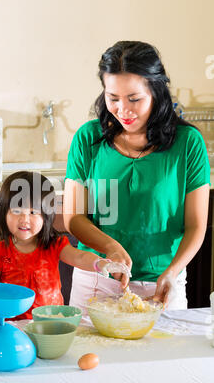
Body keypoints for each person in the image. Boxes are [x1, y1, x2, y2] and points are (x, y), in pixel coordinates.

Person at [63, 40, 210, 311]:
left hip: (163, 284)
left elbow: (196, 226)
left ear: (156, 91)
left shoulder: (188, 143)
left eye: (134, 99)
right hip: (98, 280)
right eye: (113, 98)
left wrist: (173, 272)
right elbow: (73, 217)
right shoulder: (88, 138)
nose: (123, 110)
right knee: (89, 355)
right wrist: (111, 248)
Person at [0, 170, 126, 319]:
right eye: (16, 211)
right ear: (3, 213)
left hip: (51, 323)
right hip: (11, 325)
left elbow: (80, 257)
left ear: (46, 215)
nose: (24, 219)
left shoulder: (54, 245)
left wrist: (101, 264)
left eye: (33, 212)